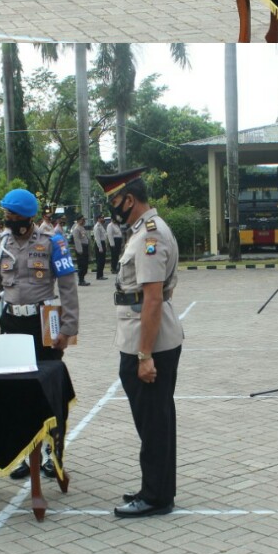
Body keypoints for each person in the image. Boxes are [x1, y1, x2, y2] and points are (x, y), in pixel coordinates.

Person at [96, 168, 182, 518]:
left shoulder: (150, 235)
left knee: (154, 421)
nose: (113, 207)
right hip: (140, 337)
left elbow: (152, 299)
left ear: (129, 199)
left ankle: (156, 497)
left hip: (150, 342)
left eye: (115, 200)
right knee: (153, 419)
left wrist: (144, 355)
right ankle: (156, 486)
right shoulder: (142, 231)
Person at [0, 187, 79, 480]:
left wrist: (68, 328)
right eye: (6, 214)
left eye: (11, 214)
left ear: (26, 216)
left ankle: (53, 452)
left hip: (44, 324)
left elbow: (68, 285)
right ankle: (26, 452)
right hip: (11, 324)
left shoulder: (53, 242)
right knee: (19, 391)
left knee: (50, 390)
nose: (6, 218)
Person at [71, 215, 91, 286]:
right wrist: (79, 250)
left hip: (85, 247)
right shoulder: (76, 229)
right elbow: (77, 240)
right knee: (81, 264)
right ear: (78, 220)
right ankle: (81, 280)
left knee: (85, 264)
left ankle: (83, 279)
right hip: (81, 248)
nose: (84, 221)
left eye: (84, 220)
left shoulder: (82, 228)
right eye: (82, 220)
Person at [93, 215, 108, 280]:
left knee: (103, 261)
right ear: (98, 219)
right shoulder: (97, 227)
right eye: (102, 218)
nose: (103, 219)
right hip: (99, 244)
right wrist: (100, 247)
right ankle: (99, 276)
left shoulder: (101, 226)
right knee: (100, 261)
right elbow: (97, 238)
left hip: (102, 243)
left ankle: (101, 275)